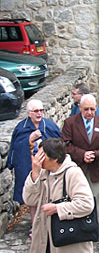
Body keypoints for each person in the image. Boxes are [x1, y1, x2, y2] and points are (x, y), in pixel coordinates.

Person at [7, 99, 61, 231]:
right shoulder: (22, 127)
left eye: (41, 110)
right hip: (29, 168)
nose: (39, 113)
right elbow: (16, 148)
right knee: (33, 197)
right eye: (36, 111)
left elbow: (59, 145)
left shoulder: (50, 126)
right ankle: (35, 225)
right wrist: (29, 139)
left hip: (47, 168)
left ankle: (48, 225)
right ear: (29, 113)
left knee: (49, 195)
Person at [62, 94, 99, 216]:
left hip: (95, 169)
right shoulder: (70, 123)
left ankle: (94, 228)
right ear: (79, 107)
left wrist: (95, 154)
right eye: (86, 109)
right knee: (76, 200)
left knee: (95, 200)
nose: (89, 112)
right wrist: (82, 154)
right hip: (76, 168)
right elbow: (65, 145)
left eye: (92, 109)